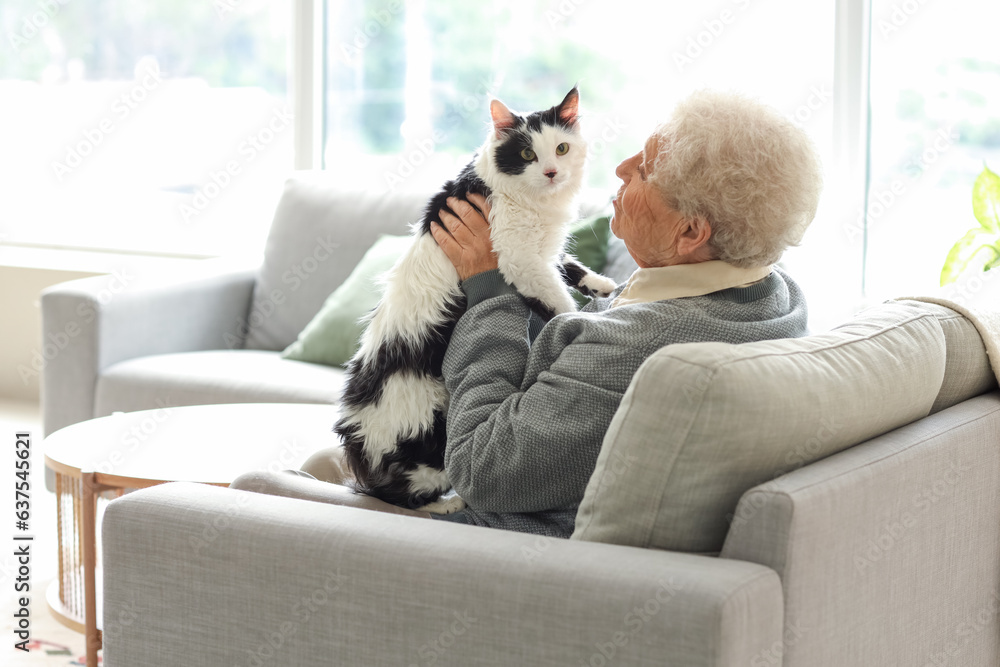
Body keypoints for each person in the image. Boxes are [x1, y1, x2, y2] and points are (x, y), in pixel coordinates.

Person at [231, 90, 823, 537]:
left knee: (254, 491)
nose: (618, 170)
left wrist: (487, 290)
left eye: (643, 170)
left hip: (498, 543)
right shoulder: (774, 296)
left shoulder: (635, 349)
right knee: (332, 458)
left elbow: (484, 470)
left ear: (692, 232)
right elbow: (614, 326)